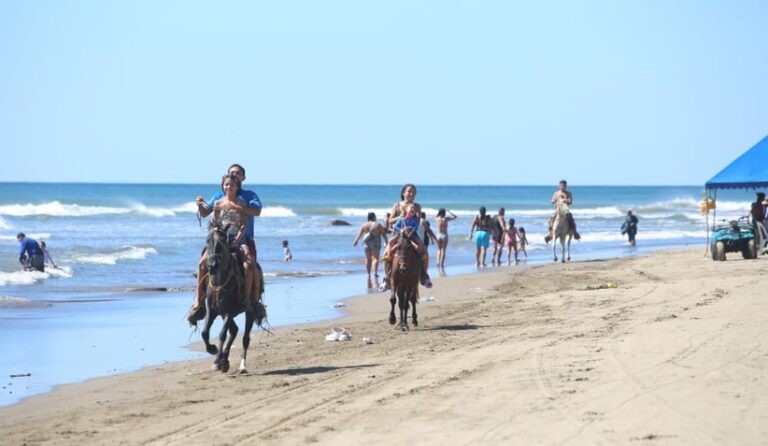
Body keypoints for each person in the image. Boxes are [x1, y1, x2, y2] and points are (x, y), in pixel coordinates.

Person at [188, 164, 263, 325]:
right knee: (202, 263)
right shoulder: (218, 197)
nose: (233, 177)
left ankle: (253, 300)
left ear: (242, 178)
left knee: (251, 265)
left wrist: (237, 208)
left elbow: (256, 212)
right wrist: (200, 205)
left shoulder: (248, 196)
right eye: (231, 174)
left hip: (243, 239)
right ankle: (198, 301)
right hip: (220, 240)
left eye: (237, 174)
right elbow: (207, 214)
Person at [382, 184, 433, 289]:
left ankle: (424, 275)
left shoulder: (417, 206)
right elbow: (390, 222)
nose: (411, 194)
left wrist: (413, 219)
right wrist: (399, 217)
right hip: (398, 234)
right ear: (403, 193)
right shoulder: (396, 205)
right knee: (386, 253)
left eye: (414, 192)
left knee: (424, 252)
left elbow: (417, 222)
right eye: (409, 191)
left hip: (411, 234)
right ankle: (386, 278)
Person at [353, 212, 388, 278]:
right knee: (375, 258)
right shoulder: (378, 224)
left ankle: (368, 274)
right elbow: (383, 233)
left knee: (368, 258)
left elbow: (359, 234)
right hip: (376, 243)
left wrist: (356, 240)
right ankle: (375, 272)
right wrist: (386, 241)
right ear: (374, 217)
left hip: (366, 243)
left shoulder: (364, 225)